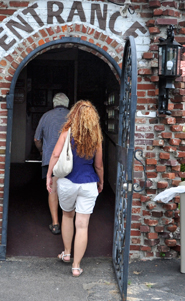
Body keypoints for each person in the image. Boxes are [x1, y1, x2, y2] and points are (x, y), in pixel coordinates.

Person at [46, 100, 103, 277]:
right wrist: (100, 181)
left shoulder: (66, 132)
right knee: (83, 225)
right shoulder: (96, 137)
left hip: (67, 183)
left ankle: (67, 253)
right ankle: (76, 267)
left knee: (68, 216)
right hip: (88, 183)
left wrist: (49, 175)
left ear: (74, 114)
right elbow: (99, 165)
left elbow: (55, 155)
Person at [34, 92, 70, 235]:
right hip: (69, 159)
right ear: (67, 103)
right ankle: (68, 220)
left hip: (51, 159)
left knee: (53, 189)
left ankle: (55, 223)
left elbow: (36, 139)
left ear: (54, 103)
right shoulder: (73, 116)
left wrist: (42, 151)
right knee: (68, 189)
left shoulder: (46, 116)